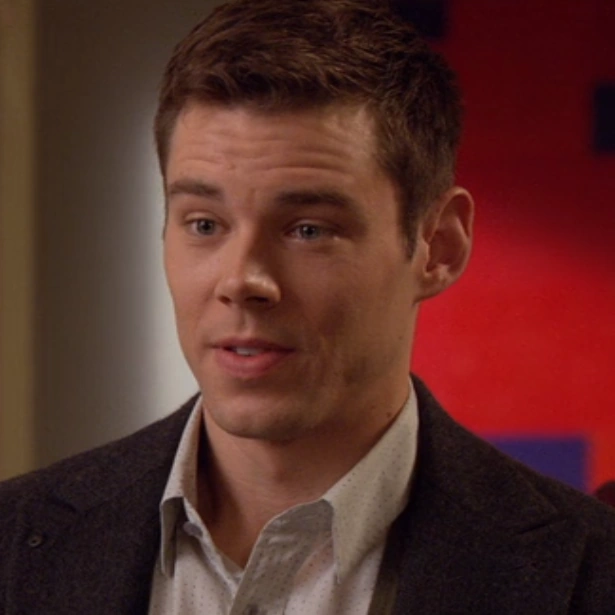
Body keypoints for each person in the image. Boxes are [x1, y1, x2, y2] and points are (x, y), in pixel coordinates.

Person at [1, 0, 615, 613]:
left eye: (309, 230)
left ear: (439, 246)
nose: (242, 280)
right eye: (205, 224)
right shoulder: (13, 544)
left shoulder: (589, 572)